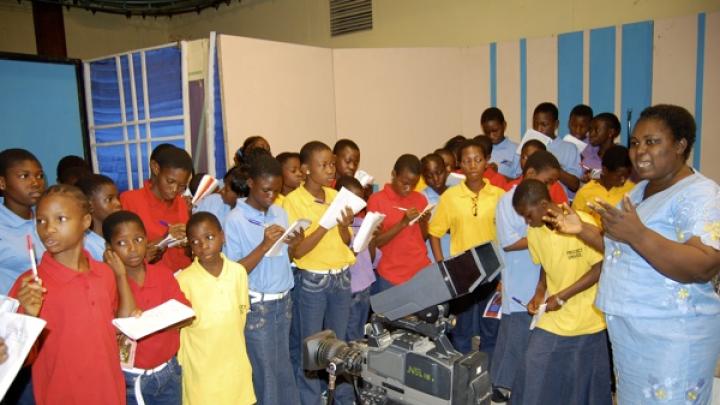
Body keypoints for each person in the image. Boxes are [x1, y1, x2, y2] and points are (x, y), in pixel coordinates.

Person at [547, 105, 720, 404]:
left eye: (652, 141)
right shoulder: (640, 192)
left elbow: (704, 264)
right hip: (632, 334)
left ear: (680, 145)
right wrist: (581, 230)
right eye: (636, 143)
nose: (639, 151)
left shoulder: (700, 194)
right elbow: (624, 251)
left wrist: (638, 233)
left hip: (672, 337)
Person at [11, 185, 136, 405]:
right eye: (40, 221)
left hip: (109, 392)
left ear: (86, 222)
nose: (48, 229)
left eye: (60, 219)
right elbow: (18, 360)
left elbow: (111, 330)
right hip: (62, 396)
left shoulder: (104, 273)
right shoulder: (29, 285)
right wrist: (29, 318)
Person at [511, 179, 611, 404]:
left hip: (588, 319)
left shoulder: (582, 223)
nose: (527, 221)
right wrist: (539, 292)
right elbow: (546, 265)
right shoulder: (535, 231)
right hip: (553, 318)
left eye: (528, 214)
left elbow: (601, 267)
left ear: (545, 204)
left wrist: (564, 295)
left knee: (583, 389)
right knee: (532, 372)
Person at [224, 153, 303, 405]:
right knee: (266, 375)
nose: (272, 196)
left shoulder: (279, 212)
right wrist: (264, 244)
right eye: (266, 190)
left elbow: (287, 256)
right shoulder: (234, 220)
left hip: (284, 300)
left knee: (284, 370)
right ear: (250, 183)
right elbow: (235, 272)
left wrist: (295, 242)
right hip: (259, 306)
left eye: (277, 191)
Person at [282, 141, 355, 405]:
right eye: (323, 165)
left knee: (340, 346)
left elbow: (347, 241)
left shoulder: (336, 196)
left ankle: (344, 399)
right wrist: (324, 225)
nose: (330, 169)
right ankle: (311, 400)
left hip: (341, 277)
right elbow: (298, 251)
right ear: (305, 169)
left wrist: (345, 226)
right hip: (313, 280)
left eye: (332, 164)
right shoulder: (293, 202)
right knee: (312, 350)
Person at [489, 151, 562, 402]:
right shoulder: (508, 201)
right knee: (517, 341)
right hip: (520, 282)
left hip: (541, 282)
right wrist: (545, 234)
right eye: (549, 180)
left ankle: (503, 386)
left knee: (517, 339)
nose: (552, 186)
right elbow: (508, 243)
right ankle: (505, 388)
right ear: (530, 174)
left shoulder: (547, 201)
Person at [102, 210, 189, 405]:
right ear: (109, 249)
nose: (132, 248)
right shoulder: (106, 283)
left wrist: (148, 323)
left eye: (139, 239)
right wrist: (121, 276)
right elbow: (123, 326)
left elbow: (186, 315)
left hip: (168, 370)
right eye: (122, 243)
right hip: (130, 377)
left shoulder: (162, 274)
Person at [428, 139, 505, 355]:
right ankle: (462, 381)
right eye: (467, 161)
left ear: (486, 162)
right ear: (460, 164)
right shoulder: (450, 197)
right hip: (462, 273)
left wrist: (505, 276)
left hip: (493, 273)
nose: (473, 166)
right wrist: (442, 264)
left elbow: (506, 237)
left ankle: (488, 381)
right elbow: (434, 232)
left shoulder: (499, 195)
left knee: (491, 330)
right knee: (461, 332)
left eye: (478, 160)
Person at [176, 212, 255, 405]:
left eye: (209, 237)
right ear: (189, 246)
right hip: (201, 370)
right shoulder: (182, 280)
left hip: (235, 366)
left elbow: (241, 315)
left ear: (222, 236)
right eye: (195, 241)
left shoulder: (238, 273)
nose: (203, 246)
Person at [120, 146, 192, 271]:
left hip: (184, 277)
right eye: (170, 181)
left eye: (181, 186)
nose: (175, 190)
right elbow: (125, 251)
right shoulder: (130, 200)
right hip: (151, 279)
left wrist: (190, 241)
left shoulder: (182, 203)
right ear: (155, 168)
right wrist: (166, 239)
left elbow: (188, 253)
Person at [367, 154, 430, 292]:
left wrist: (424, 222)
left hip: (420, 271)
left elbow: (423, 238)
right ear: (394, 174)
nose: (408, 188)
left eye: (413, 184)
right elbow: (375, 242)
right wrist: (402, 223)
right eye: (404, 182)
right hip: (391, 276)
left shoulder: (420, 199)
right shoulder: (376, 200)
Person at [336, 176, 378, 341]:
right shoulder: (335, 226)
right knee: (350, 335)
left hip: (365, 286)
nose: (357, 206)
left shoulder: (361, 222)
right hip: (350, 289)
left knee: (361, 333)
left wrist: (373, 236)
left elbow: (371, 258)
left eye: (360, 201)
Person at [0, 148, 46, 294]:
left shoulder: (47, 219)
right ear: (2, 183)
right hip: (12, 314)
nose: (35, 183)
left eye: (39, 176)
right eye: (24, 176)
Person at [572, 145, 634, 227]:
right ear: (605, 170)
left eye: (627, 175)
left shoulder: (633, 189)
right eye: (619, 175)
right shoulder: (585, 193)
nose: (623, 180)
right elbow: (575, 222)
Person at [531, 102, 583, 195]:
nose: (539, 129)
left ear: (556, 124)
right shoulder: (530, 146)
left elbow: (575, 185)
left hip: (559, 201)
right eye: (535, 124)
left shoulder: (569, 148)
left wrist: (554, 167)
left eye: (544, 125)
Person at [506, 140, 568, 204]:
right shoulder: (510, 189)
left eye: (535, 157)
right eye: (524, 157)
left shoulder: (555, 187)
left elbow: (563, 211)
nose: (528, 160)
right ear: (530, 173)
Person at [77, 174, 122, 260]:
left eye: (117, 198)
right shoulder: (86, 245)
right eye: (109, 199)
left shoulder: (114, 235)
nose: (118, 203)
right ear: (89, 206)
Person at [420, 153, 450, 262]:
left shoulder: (457, 192)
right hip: (434, 259)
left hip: (460, 253)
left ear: (446, 170)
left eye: (439, 173)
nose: (436, 179)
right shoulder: (421, 199)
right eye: (429, 176)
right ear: (423, 178)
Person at [481, 107, 518, 178]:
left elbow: (519, 182)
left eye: (495, 131)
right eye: (487, 132)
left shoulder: (516, 150)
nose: (491, 136)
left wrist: (497, 174)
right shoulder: (480, 150)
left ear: (504, 125)